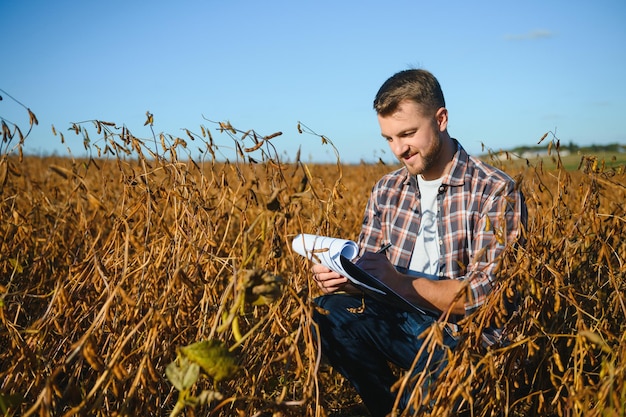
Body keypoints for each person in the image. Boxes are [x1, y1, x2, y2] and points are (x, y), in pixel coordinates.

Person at [311, 69, 527, 416]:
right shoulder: (387, 189)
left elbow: (488, 299)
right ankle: (385, 407)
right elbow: (374, 280)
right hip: (403, 324)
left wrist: (399, 282)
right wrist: (346, 279)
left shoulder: (495, 190)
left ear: (441, 119)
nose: (399, 149)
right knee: (326, 311)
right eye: (389, 139)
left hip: (466, 341)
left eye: (408, 133)